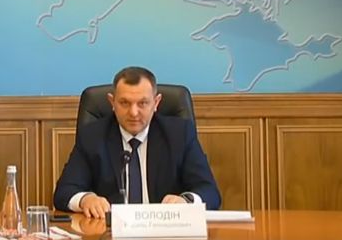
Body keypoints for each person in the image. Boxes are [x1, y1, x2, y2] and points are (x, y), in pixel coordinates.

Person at [53, 66, 221, 218]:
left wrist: (185, 201)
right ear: (112, 102)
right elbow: (64, 192)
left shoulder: (179, 134)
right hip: (110, 233)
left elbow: (210, 192)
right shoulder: (93, 136)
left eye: (143, 103)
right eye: (124, 103)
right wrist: (85, 199)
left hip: (165, 232)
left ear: (156, 103)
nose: (133, 112)